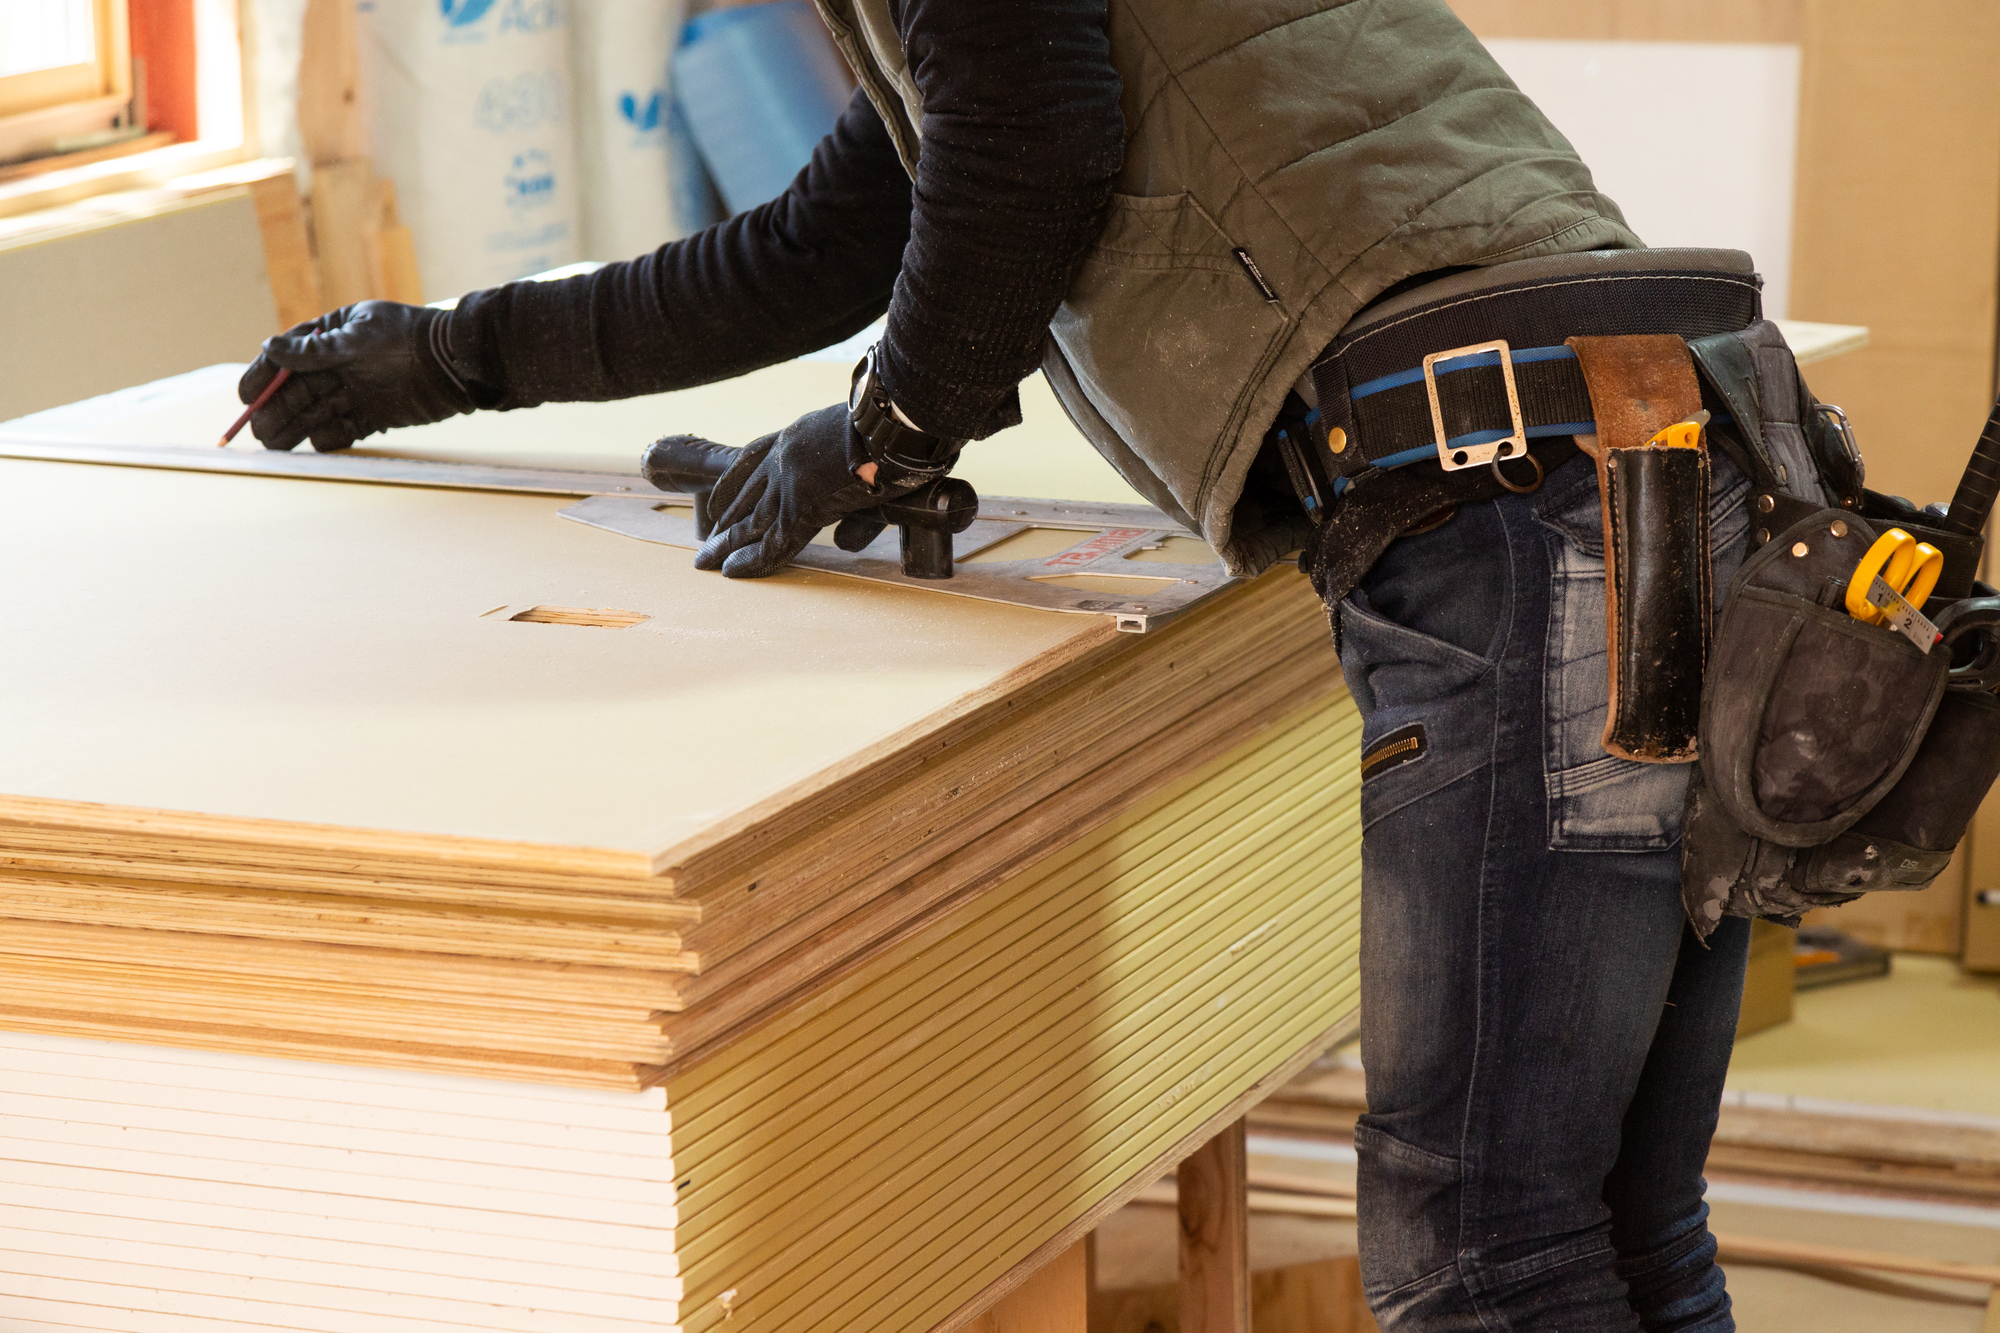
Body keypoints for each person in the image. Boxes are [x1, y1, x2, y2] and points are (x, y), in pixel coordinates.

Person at [239, 3, 1769, 1327]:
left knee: (1488, 1255)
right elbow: (825, 245)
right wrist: (447, 354)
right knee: (1618, 1227)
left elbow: (1030, 148)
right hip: (1676, 448)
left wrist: (885, 435)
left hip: (1517, 492)